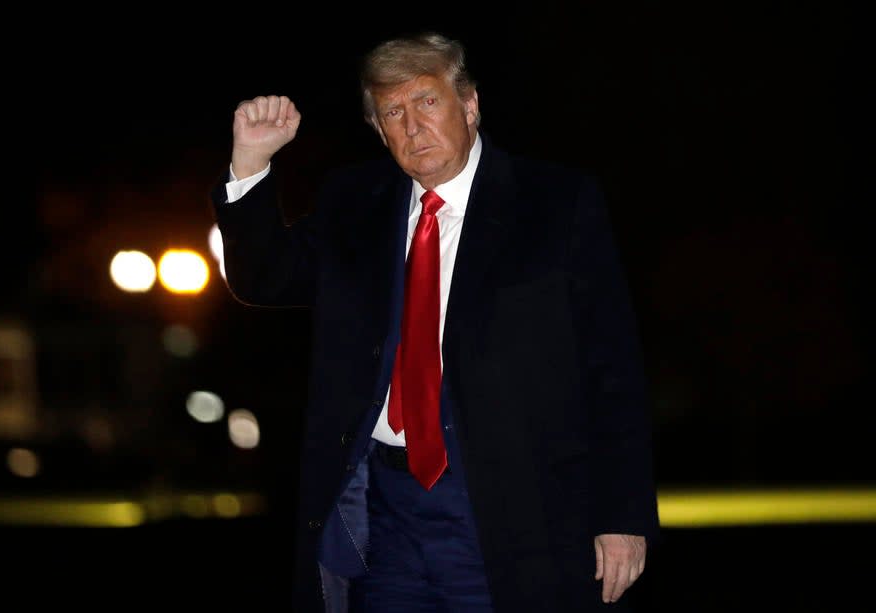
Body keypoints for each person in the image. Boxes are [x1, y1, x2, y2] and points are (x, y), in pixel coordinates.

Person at [210, 31, 660, 613]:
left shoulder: (555, 204)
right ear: (378, 129)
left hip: (510, 505)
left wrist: (622, 515)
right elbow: (264, 279)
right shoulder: (356, 202)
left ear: (469, 105)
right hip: (384, 508)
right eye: (392, 112)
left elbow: (613, 368)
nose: (413, 126)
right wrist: (251, 161)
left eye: (427, 101)